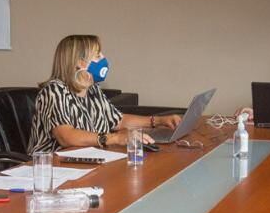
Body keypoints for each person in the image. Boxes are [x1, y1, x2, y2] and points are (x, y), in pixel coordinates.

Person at [27, 35, 181, 154]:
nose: (104, 58)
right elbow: (66, 136)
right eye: (97, 55)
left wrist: (159, 120)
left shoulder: (93, 89)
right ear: (80, 62)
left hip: (87, 161)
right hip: (51, 169)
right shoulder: (54, 91)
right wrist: (115, 138)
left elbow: (118, 120)